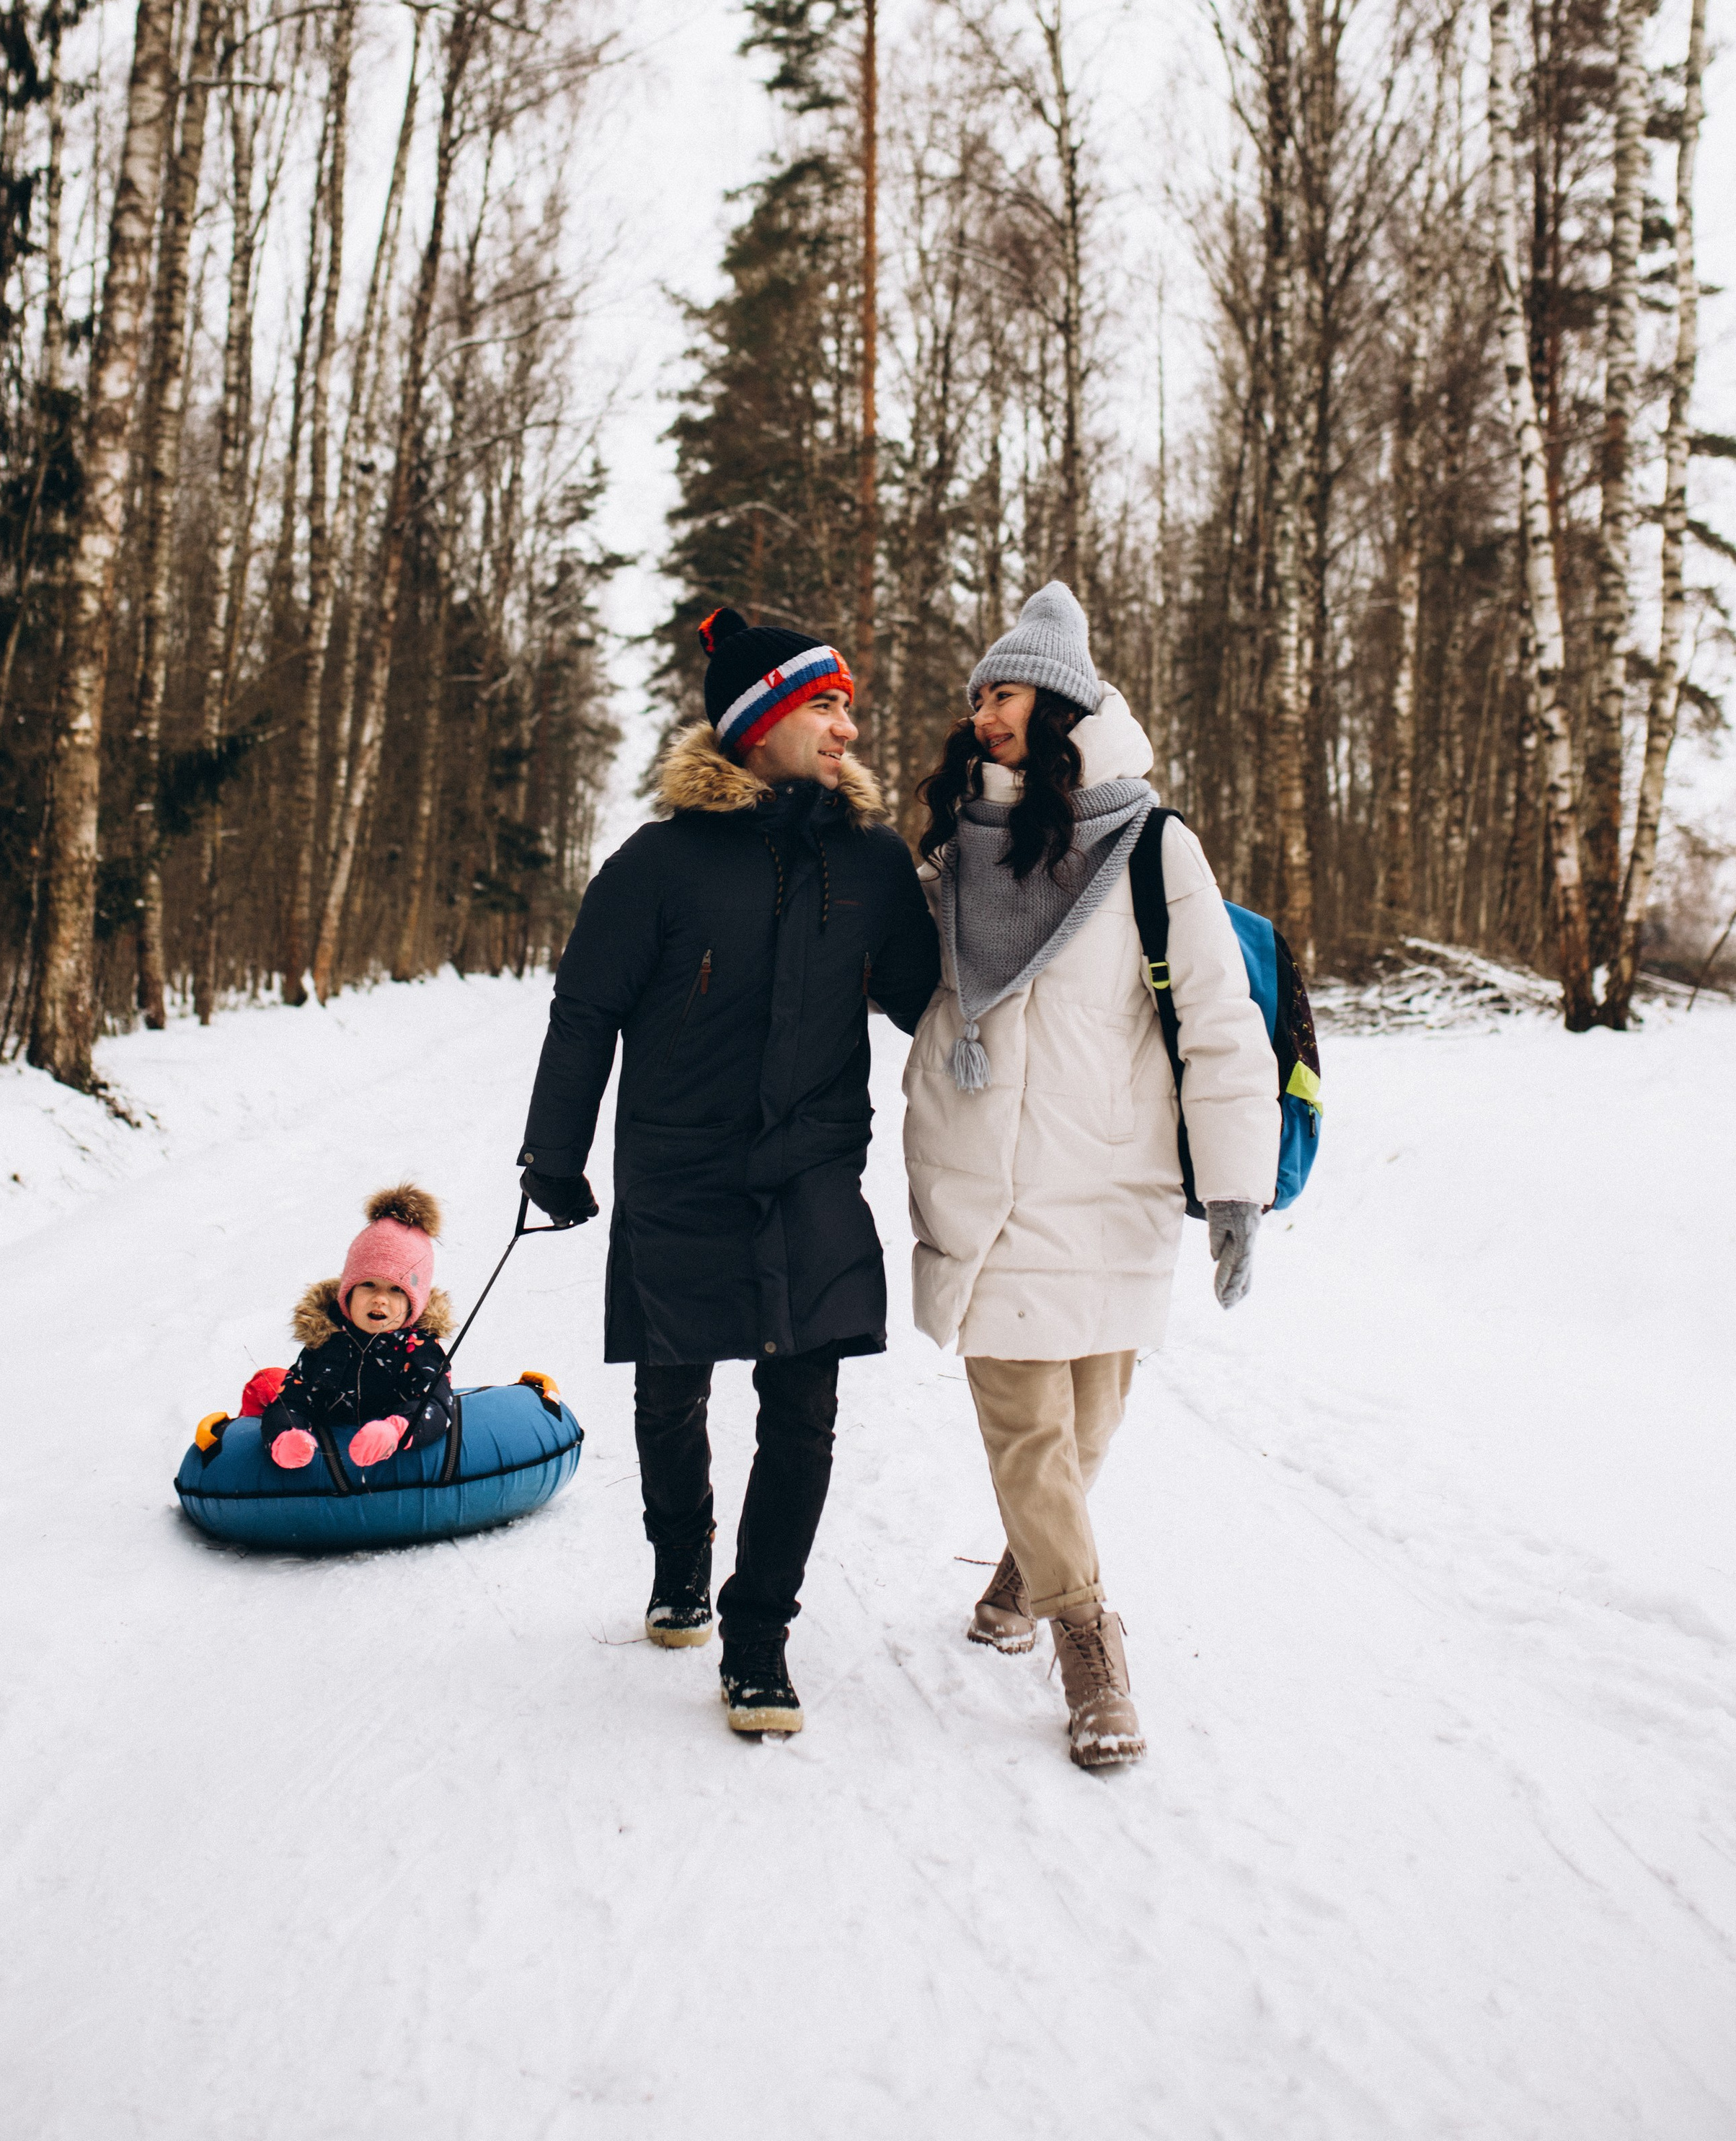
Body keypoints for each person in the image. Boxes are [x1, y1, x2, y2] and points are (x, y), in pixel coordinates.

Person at [518, 607, 941, 1734]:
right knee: (675, 1379)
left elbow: (930, 1003)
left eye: (849, 703)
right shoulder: (658, 865)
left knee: (805, 1403)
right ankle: (679, 1563)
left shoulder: (874, 860)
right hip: (679, 1171)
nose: (848, 724)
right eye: (825, 704)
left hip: (810, 1171)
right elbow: (585, 1014)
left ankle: (759, 1642)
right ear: (759, 725)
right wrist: (553, 1156)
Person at [902, 583, 1277, 1770]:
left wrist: (1234, 1190)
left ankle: (1030, 1567)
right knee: (1025, 1429)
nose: (982, 714)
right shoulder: (956, 846)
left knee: (1086, 1422)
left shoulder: (1155, 846)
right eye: (976, 697)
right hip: (985, 1179)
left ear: (1059, 704)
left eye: (1002, 691)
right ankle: (1089, 1640)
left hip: (1109, 1180)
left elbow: (1218, 1023)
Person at [259, 1184, 456, 1470]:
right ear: (348, 1292)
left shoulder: (420, 1351)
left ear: (415, 1303)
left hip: (388, 1446)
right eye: (368, 1284)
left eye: (396, 1290)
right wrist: (286, 1434)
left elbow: (436, 1405)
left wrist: (395, 1429)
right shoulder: (327, 1343)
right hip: (328, 1457)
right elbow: (293, 1400)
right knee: (266, 1387)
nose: (380, 1299)